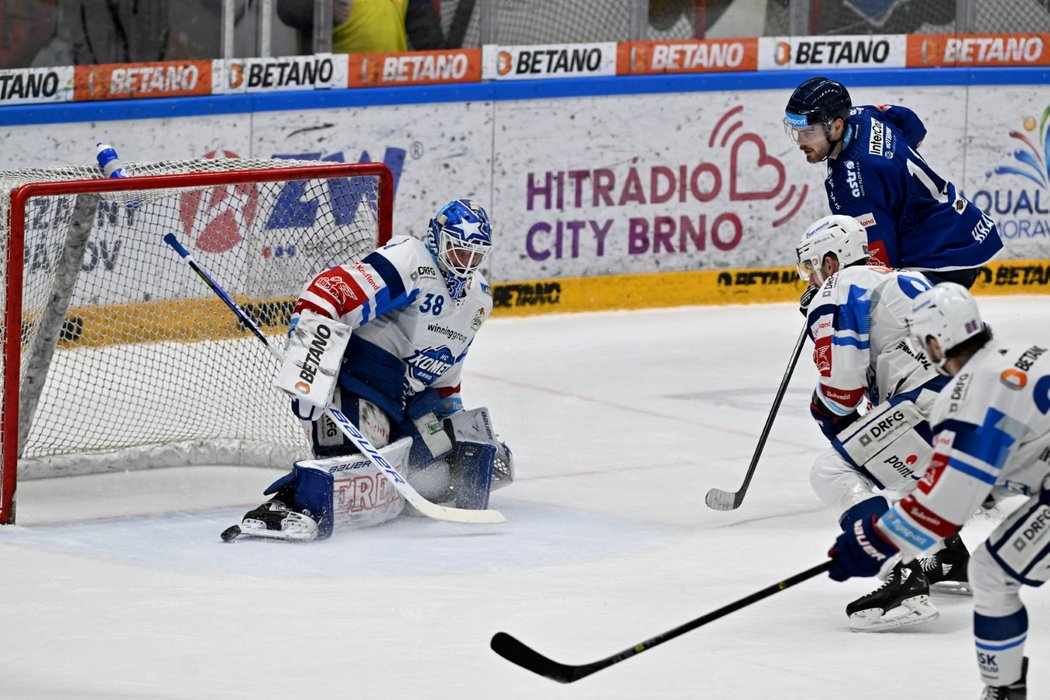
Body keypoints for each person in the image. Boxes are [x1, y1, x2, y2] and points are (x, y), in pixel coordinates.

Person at [225, 199, 514, 542]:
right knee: (355, 466)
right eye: (458, 251)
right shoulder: (411, 260)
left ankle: (393, 465)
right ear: (437, 239)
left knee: (439, 476)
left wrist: (457, 425)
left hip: (409, 400)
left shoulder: (479, 298)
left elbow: (447, 375)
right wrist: (309, 368)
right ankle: (288, 501)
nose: (466, 263)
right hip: (361, 380)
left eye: (475, 255)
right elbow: (326, 292)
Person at [829, 283, 1049, 699]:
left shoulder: (965, 393)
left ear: (935, 341)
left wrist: (877, 541)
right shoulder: (1021, 354)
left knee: (991, 573)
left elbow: (947, 504)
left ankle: (1004, 691)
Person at [796, 214, 971, 631]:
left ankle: (901, 578)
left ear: (833, 261)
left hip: (931, 402)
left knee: (833, 469)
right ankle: (951, 558)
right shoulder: (897, 278)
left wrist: (823, 410)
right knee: (901, 469)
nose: (811, 278)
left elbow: (842, 389)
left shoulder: (838, 288)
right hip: (977, 405)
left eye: (813, 266)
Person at [784, 76, 1003, 294]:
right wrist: (894, 170)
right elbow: (910, 122)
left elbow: (881, 262)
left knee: (885, 318)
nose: (800, 142)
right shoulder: (862, 114)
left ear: (836, 127)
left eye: (808, 132)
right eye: (796, 131)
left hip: (939, 257)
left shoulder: (855, 186)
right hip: (960, 227)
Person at [277, 0, 450, 54]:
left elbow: (427, 38)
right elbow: (288, 9)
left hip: (389, 87)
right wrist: (324, 9)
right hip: (333, 90)